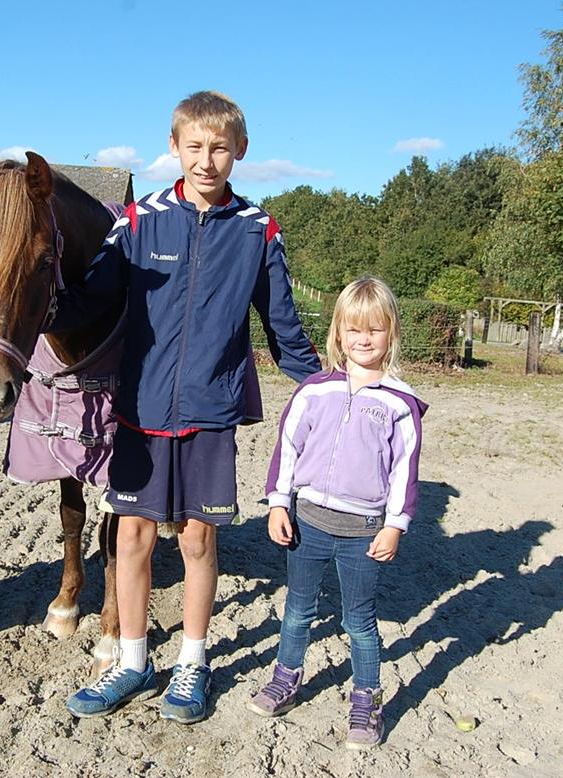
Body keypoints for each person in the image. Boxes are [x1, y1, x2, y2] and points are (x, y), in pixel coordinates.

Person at [60, 91, 322, 723]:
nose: (207, 161)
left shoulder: (258, 230)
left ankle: (193, 663)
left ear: (241, 152)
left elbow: (282, 323)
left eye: (221, 149)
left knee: (200, 539)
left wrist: (327, 385)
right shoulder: (139, 219)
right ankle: (131, 661)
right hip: (139, 409)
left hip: (211, 410)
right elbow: (90, 300)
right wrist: (12, 325)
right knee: (133, 537)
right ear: (174, 148)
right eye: (195, 147)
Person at [249, 276, 426, 750]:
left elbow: (404, 471)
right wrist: (278, 503)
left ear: (391, 334)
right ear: (338, 334)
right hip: (308, 523)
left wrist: (394, 525)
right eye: (354, 330)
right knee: (298, 609)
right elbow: (287, 448)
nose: (363, 340)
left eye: (375, 330)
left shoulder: (400, 403)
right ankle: (286, 677)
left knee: (359, 621)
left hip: (364, 532)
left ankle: (366, 699)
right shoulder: (313, 390)